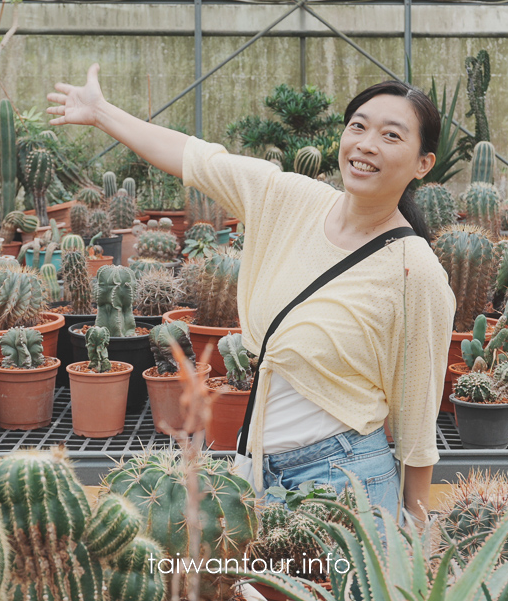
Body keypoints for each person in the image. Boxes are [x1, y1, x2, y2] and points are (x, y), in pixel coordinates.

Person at [47, 64, 454, 523]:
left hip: (344, 485)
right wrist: (102, 113)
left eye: (392, 136)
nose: (366, 144)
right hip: (258, 470)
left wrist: (418, 530)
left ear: (424, 164)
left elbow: (418, 420)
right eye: (357, 126)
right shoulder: (290, 200)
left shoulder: (413, 271)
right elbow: (197, 158)